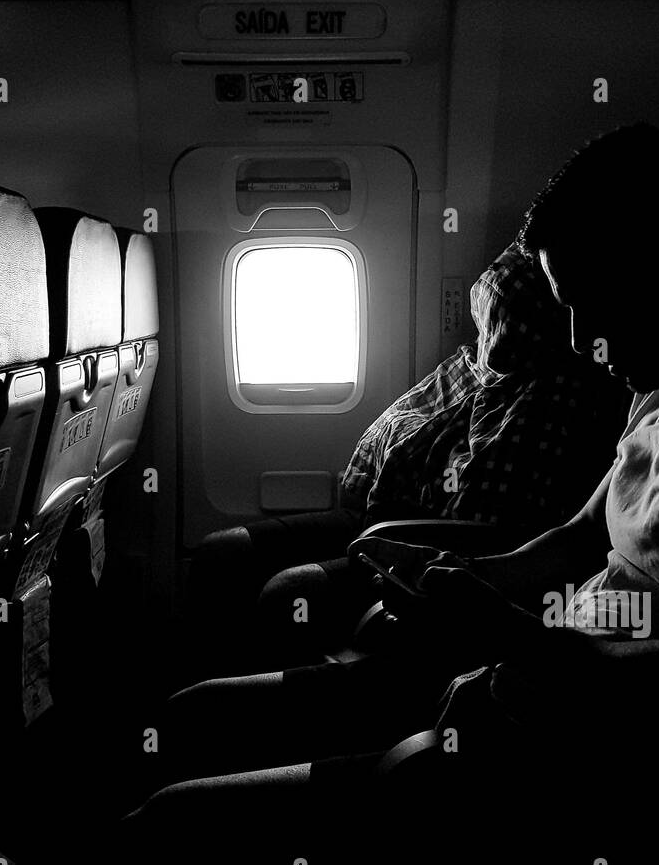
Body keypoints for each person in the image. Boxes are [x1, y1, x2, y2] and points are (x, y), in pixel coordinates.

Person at [119, 122, 659, 865]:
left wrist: (513, 641)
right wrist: (469, 583)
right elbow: (580, 536)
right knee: (188, 716)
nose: (577, 342)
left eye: (592, 305)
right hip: (515, 676)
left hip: (594, 751)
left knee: (170, 825)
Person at [183, 238, 628, 677]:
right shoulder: (477, 363)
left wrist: (457, 565)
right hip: (386, 519)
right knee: (220, 555)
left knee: (287, 594)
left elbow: (497, 518)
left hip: (432, 532)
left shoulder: (561, 396)